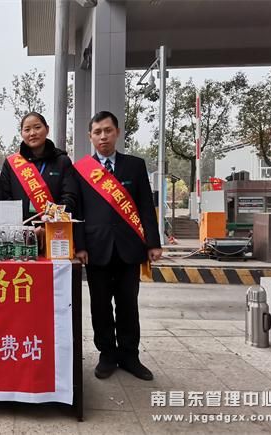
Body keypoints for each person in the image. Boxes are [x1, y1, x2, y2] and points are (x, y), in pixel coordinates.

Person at [74, 111, 162, 381]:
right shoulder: (81, 170)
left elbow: (146, 206)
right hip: (96, 249)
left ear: (118, 133)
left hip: (129, 248)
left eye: (108, 131)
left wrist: (153, 243)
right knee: (100, 306)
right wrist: (79, 246)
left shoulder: (134, 166)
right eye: (97, 132)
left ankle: (130, 355)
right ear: (90, 136)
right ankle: (107, 355)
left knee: (128, 305)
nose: (103, 136)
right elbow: (77, 211)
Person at [0, 112, 77, 222]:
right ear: (21, 133)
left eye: (37, 127)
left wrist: (51, 220)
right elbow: (5, 200)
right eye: (27, 130)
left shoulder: (62, 161)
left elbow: (69, 197)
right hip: (21, 229)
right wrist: (24, 228)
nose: (32, 133)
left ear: (47, 129)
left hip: (54, 227)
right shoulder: (11, 164)